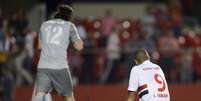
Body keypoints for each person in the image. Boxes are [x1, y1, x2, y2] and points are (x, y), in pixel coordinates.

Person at [33, 5, 83, 101]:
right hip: (60, 67)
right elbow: (79, 46)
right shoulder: (70, 26)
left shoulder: (44, 24)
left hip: (43, 65)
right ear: (69, 16)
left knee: (39, 95)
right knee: (69, 96)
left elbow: (39, 46)